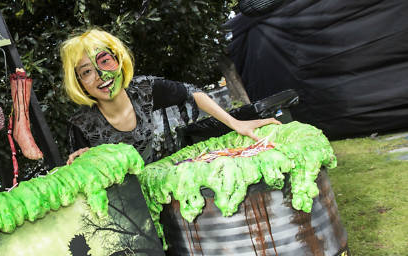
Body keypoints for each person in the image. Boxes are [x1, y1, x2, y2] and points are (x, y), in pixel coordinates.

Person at [60, 29, 280, 164]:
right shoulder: (81, 126)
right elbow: (84, 173)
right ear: (78, 82)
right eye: (87, 72)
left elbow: (193, 93)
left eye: (105, 61)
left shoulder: (145, 90)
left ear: (119, 60)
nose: (101, 76)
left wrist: (237, 124)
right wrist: (83, 162)